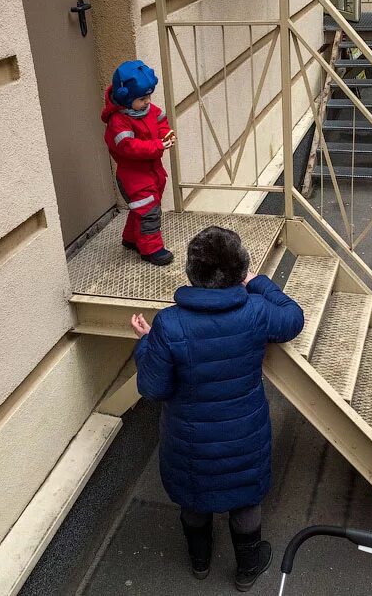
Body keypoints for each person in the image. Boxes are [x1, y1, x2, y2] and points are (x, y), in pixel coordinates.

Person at [130, 226, 305, 591]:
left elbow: (152, 387)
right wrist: (259, 283)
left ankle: (200, 562)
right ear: (240, 272)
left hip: (188, 440)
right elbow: (293, 318)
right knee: (245, 501)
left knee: (193, 499)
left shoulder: (169, 323)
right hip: (244, 435)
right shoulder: (256, 311)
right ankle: (247, 570)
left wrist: (146, 344)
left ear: (192, 274)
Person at [102, 60, 176, 265]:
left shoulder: (148, 110)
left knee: (142, 209)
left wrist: (166, 135)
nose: (147, 102)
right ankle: (151, 249)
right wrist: (158, 145)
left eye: (149, 97)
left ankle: (131, 238)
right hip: (134, 177)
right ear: (126, 98)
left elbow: (161, 121)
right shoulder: (118, 121)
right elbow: (129, 147)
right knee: (148, 213)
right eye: (142, 98)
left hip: (153, 172)